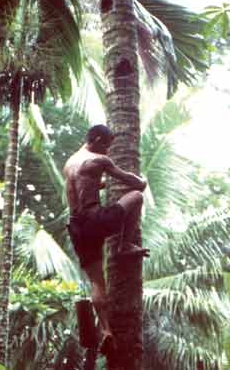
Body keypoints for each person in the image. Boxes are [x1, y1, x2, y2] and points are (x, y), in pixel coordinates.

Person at [63, 124, 149, 355]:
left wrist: (102, 185)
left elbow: (83, 186)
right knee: (137, 197)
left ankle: (106, 330)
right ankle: (124, 244)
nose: (109, 151)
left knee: (97, 282)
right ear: (98, 140)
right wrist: (142, 180)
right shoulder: (99, 160)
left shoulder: (71, 162)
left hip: (76, 226)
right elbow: (131, 181)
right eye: (107, 146)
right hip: (94, 220)